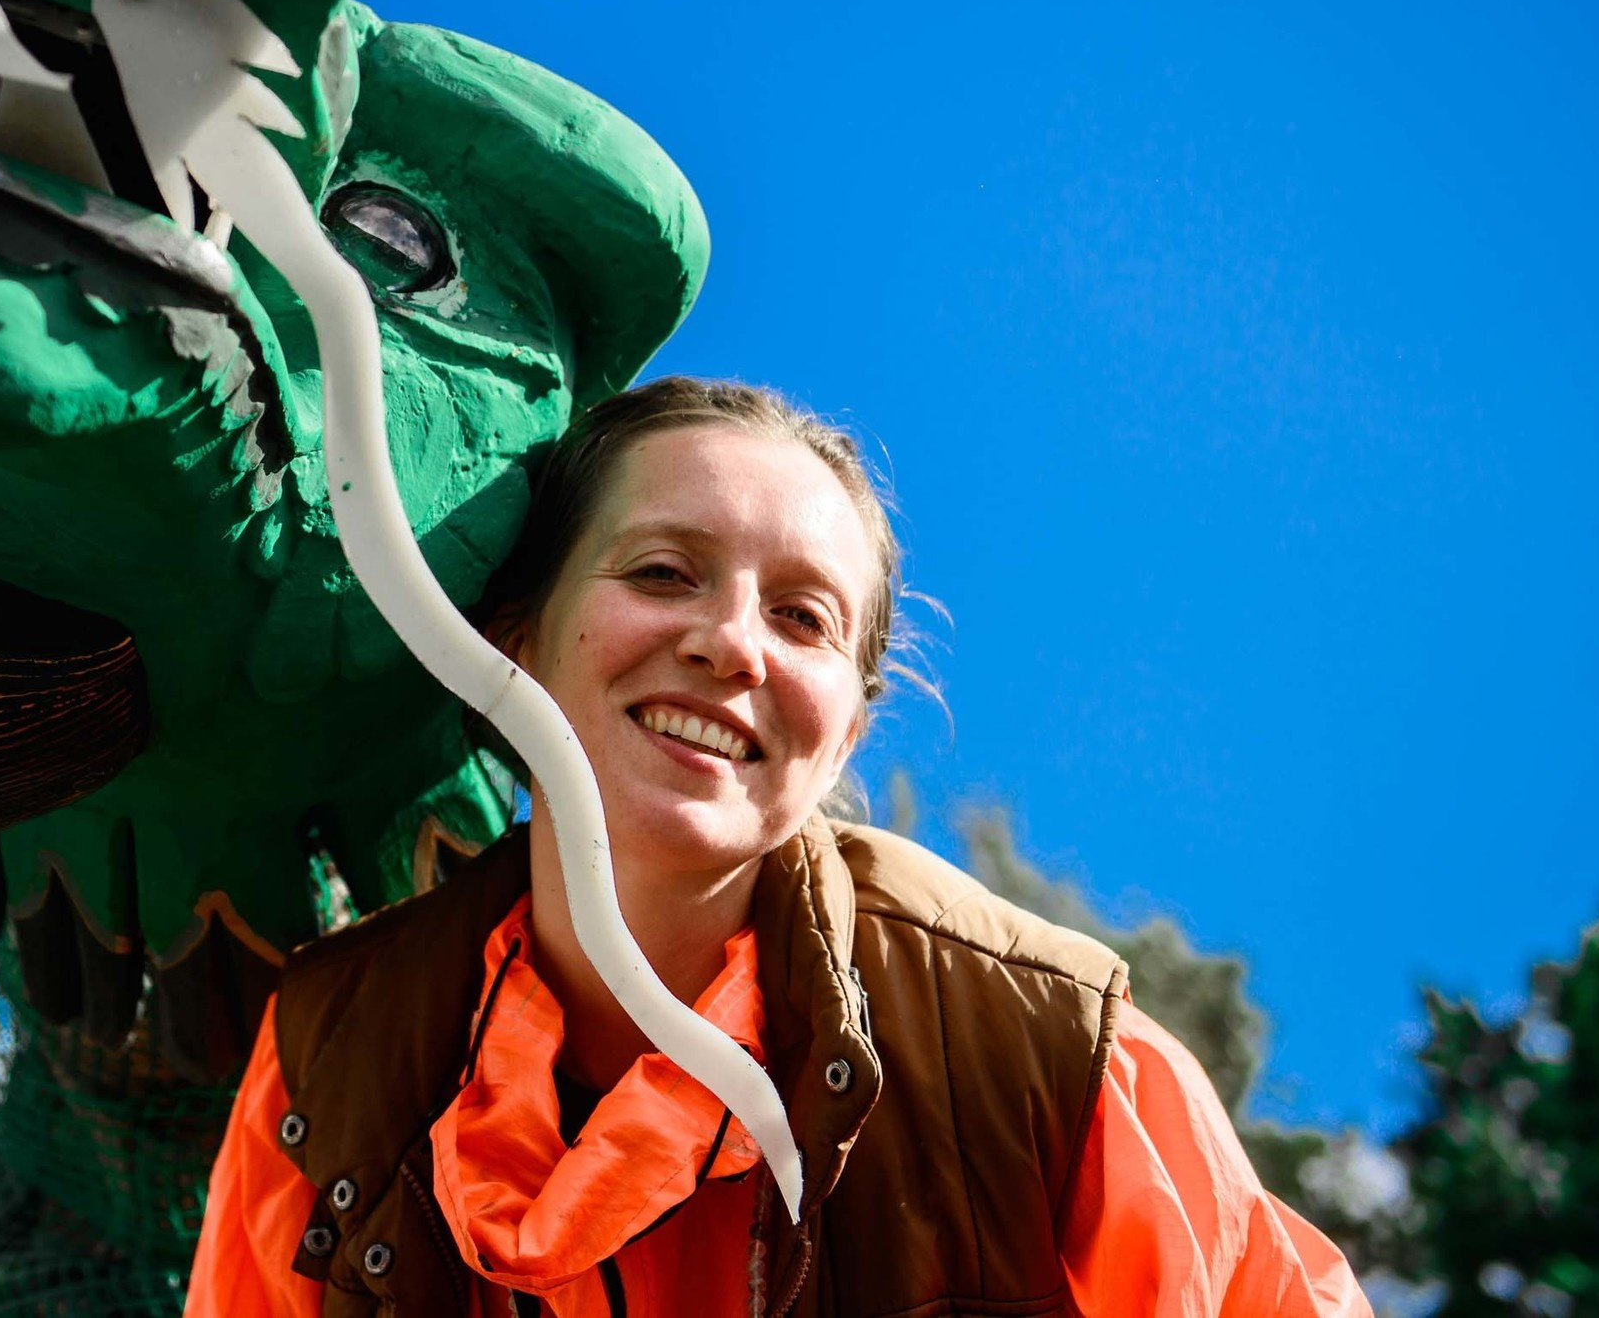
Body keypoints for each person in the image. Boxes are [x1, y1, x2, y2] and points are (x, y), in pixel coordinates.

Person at [186, 377, 1368, 1317]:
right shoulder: (325, 1061)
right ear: (516, 642)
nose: (730, 644)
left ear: (845, 727)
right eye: (662, 572)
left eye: (802, 618)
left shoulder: (1044, 1048)